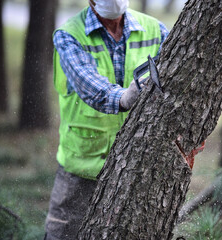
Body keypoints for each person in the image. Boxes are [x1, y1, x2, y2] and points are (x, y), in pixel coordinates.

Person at [44, 0, 169, 239]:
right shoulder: (69, 35)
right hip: (82, 171)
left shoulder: (156, 30)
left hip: (137, 168)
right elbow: (88, 82)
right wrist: (124, 97)